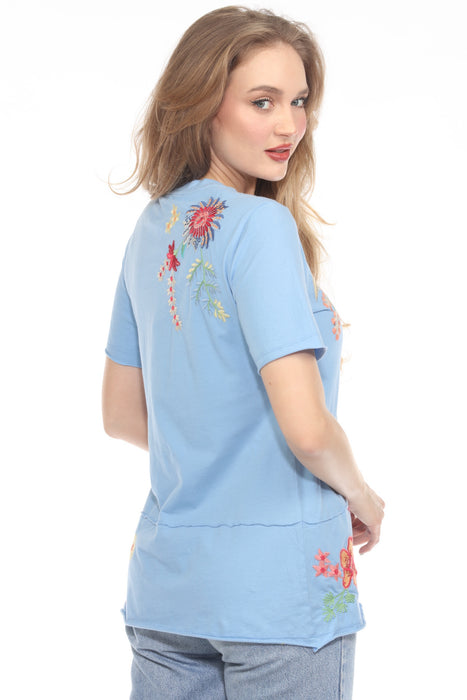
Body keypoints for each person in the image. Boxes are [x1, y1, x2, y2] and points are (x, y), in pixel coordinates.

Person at [102, 6, 385, 699]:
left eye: (298, 101)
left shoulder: (151, 229)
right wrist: (363, 496)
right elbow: (308, 430)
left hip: (169, 589)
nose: (289, 125)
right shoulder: (261, 226)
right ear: (203, 105)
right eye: (262, 102)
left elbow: (121, 416)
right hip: (277, 594)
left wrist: (216, 447)